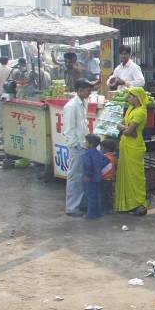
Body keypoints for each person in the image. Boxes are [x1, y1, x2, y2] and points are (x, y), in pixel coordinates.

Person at [114, 86, 149, 215]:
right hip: (125, 144)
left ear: (137, 98)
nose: (127, 98)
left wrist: (123, 128)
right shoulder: (130, 109)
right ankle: (127, 204)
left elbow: (127, 130)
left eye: (130, 96)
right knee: (125, 174)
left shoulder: (141, 112)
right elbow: (124, 126)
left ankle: (139, 204)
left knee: (135, 176)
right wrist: (124, 128)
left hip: (134, 147)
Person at [63, 79, 94, 216]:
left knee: (81, 176)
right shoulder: (72, 106)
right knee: (75, 177)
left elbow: (83, 124)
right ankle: (72, 208)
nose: (90, 93)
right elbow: (69, 129)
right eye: (88, 90)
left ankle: (79, 204)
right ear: (80, 90)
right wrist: (75, 145)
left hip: (83, 145)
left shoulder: (83, 103)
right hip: (77, 146)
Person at [81, 134, 110, 219]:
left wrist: (88, 175)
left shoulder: (87, 153)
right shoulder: (99, 153)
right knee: (97, 195)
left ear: (90, 144)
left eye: (86, 142)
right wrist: (98, 168)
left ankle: (91, 214)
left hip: (90, 178)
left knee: (90, 196)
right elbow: (106, 160)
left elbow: (87, 165)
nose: (85, 143)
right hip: (98, 177)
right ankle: (98, 213)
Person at [99, 137, 118, 212]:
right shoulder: (113, 156)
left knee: (104, 194)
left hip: (104, 179)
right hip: (110, 179)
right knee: (109, 194)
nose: (100, 150)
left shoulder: (106, 158)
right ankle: (109, 208)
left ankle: (106, 208)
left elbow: (103, 169)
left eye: (101, 148)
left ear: (106, 149)